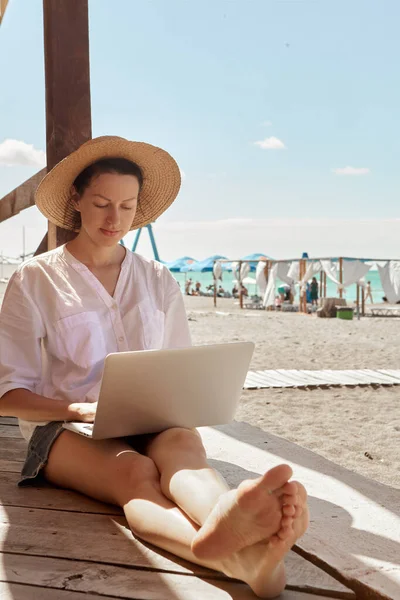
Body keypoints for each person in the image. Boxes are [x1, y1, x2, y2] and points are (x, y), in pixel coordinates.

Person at [0, 135, 308, 598]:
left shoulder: (158, 277)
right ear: (76, 200)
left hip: (149, 418)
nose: (113, 218)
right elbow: (8, 395)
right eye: (102, 202)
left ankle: (234, 534)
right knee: (135, 474)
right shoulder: (35, 278)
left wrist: (182, 403)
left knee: (184, 447)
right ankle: (221, 550)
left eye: (126, 206)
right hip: (62, 428)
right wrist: (80, 409)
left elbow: (177, 367)